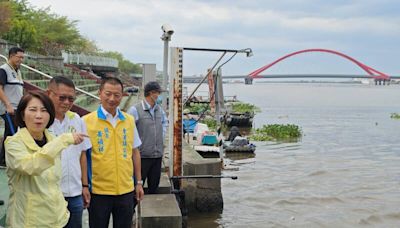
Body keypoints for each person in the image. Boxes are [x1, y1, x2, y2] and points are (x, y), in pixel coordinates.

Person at [5, 91, 87, 227]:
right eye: (32, 110)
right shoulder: (13, 143)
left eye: (44, 111)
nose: (39, 116)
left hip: (57, 218)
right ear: (22, 115)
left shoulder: (52, 140)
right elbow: (30, 166)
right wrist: (63, 140)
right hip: (30, 221)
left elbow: (54, 182)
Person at [82, 77, 144, 228]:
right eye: (108, 93)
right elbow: (82, 155)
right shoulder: (86, 121)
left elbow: (135, 152)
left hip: (126, 190)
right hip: (99, 191)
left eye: (117, 95)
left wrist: (139, 182)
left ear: (122, 95)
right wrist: (84, 186)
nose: (112, 99)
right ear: (100, 93)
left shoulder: (128, 120)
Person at [47, 76, 92, 228]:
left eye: (71, 99)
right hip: (49, 194)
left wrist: (85, 186)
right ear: (49, 94)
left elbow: (82, 154)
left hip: (74, 193)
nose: (66, 102)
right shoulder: (39, 121)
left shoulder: (76, 120)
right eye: (62, 97)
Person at [127, 81, 168, 194]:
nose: (159, 96)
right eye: (158, 93)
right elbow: (128, 129)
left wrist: (161, 135)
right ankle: (131, 210)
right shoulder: (135, 110)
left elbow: (165, 122)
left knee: (154, 186)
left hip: (157, 155)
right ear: (152, 93)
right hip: (142, 156)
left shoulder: (159, 110)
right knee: (135, 187)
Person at [0, 47, 25, 166]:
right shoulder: (3, 70)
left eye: (22, 57)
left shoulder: (17, 71)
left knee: (10, 133)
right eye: (19, 57)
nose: (21, 60)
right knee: (11, 133)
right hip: (8, 108)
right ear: (11, 56)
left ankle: (4, 159)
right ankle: (5, 160)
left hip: (17, 107)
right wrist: (8, 105)